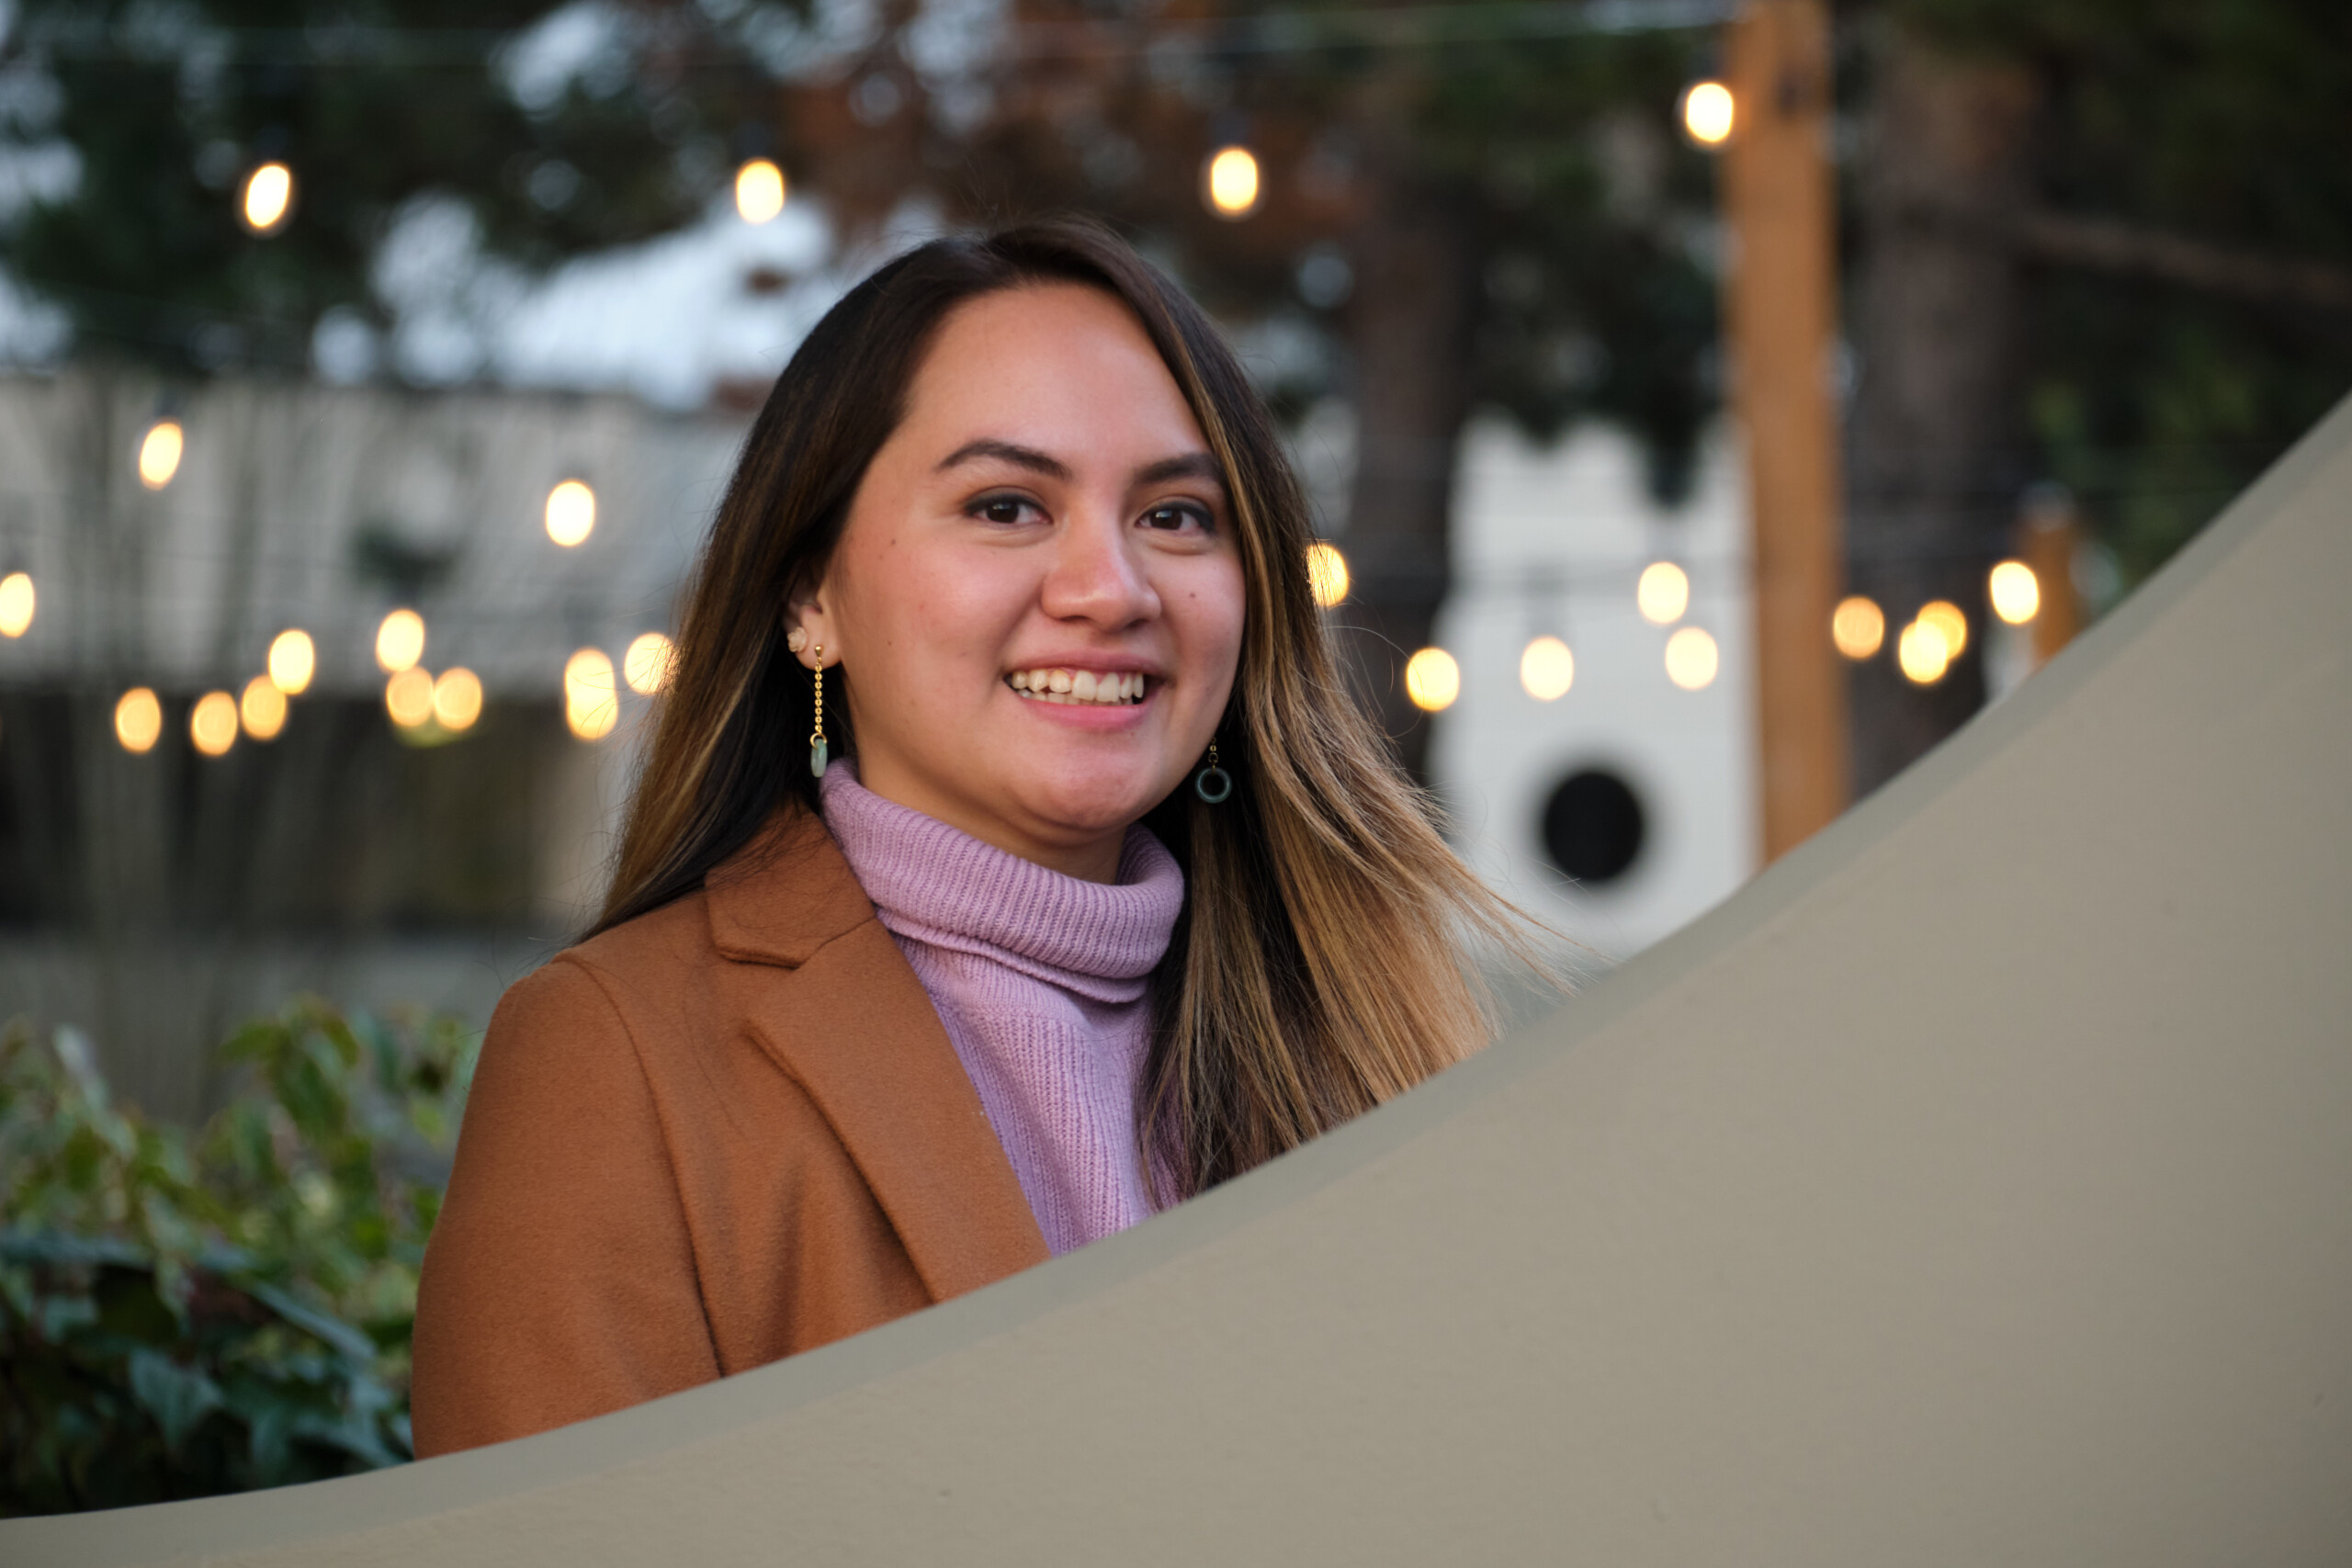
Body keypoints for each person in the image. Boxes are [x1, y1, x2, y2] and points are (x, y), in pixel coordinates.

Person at [410, 219, 1544, 1457]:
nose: (1111, 590)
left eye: (1176, 516)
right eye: (1006, 506)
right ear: (809, 596)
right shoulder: (614, 1056)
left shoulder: (1365, 1046)